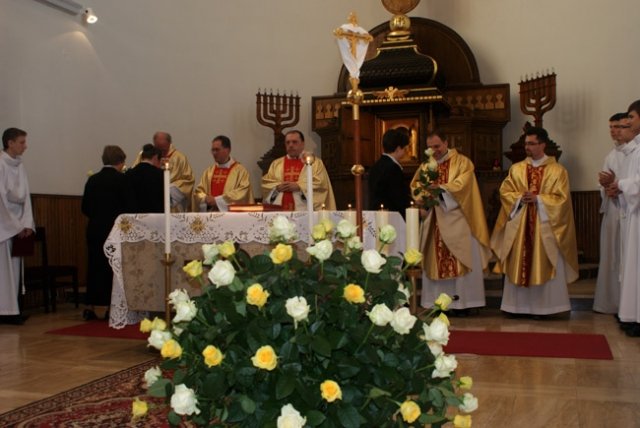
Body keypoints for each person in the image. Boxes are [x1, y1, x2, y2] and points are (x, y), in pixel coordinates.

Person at [491, 126, 579, 317]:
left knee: (543, 263)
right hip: (520, 227)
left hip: (544, 227)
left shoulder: (557, 171)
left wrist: (538, 199)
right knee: (518, 263)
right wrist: (519, 198)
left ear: (542, 145)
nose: (527, 147)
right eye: (526, 144)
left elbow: (562, 200)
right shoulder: (517, 169)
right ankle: (516, 308)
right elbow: (505, 192)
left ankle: (545, 309)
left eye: (531, 143)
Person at [410, 130, 492, 313]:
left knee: (460, 260)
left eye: (437, 146)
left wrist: (440, 189)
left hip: (458, 221)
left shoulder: (462, 162)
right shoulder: (426, 166)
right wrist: (424, 195)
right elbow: (416, 186)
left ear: (446, 143)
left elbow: (464, 186)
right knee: (435, 262)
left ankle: (462, 304)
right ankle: (438, 304)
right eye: (430, 148)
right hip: (434, 221)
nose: (434, 151)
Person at [81, 146, 135, 321]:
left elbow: (85, 207)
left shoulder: (93, 180)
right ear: (121, 161)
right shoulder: (123, 180)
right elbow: (129, 207)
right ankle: (112, 306)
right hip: (114, 230)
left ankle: (91, 305)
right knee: (113, 268)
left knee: (94, 266)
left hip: (95, 229)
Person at [606, 100, 640, 336]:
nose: (627, 122)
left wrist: (620, 185)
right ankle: (631, 314)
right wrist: (619, 190)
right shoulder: (633, 150)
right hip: (632, 213)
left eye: (631, 117)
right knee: (631, 266)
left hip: (637, 214)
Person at [593, 112, 631, 314]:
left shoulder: (634, 153)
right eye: (611, 127)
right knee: (611, 257)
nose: (614, 131)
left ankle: (628, 305)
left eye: (618, 127)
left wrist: (616, 185)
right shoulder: (611, 156)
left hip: (629, 211)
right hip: (613, 210)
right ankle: (611, 302)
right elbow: (604, 185)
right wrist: (606, 187)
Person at [0, 128, 35, 325]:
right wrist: (15, 225)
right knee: (3, 271)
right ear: (10, 143)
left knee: (14, 270)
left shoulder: (19, 165)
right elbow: (1, 200)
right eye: (22, 142)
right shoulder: (0, 164)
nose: (25, 146)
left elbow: (26, 197)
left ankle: (12, 310)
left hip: (17, 224)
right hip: (4, 225)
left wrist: (27, 223)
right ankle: (4, 311)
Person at [262, 130, 336, 210]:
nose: (290, 145)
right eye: (288, 142)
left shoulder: (314, 162)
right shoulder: (276, 164)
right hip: (280, 209)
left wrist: (299, 187)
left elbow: (321, 184)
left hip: (304, 209)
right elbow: (267, 184)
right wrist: (277, 187)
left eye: (294, 142)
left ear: (303, 144)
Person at [134, 131, 194, 212]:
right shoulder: (144, 155)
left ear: (169, 143)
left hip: (172, 205)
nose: (161, 153)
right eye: (158, 148)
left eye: (163, 149)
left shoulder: (180, 158)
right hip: (147, 201)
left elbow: (188, 180)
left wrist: (169, 189)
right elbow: (136, 174)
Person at [193, 135, 254, 211]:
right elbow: (199, 192)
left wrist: (218, 201)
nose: (214, 153)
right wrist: (205, 199)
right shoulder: (208, 172)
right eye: (213, 150)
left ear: (227, 150)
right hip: (210, 214)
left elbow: (243, 193)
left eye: (217, 150)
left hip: (230, 216)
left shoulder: (240, 171)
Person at [368, 128, 412, 216]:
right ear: (398, 149)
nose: (405, 151)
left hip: (377, 214)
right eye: (405, 148)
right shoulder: (393, 168)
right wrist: (416, 210)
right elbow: (398, 198)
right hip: (391, 216)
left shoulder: (376, 165)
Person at [126, 143, 164, 213]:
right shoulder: (159, 174)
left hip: (135, 215)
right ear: (155, 157)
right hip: (155, 215)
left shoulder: (129, 173)